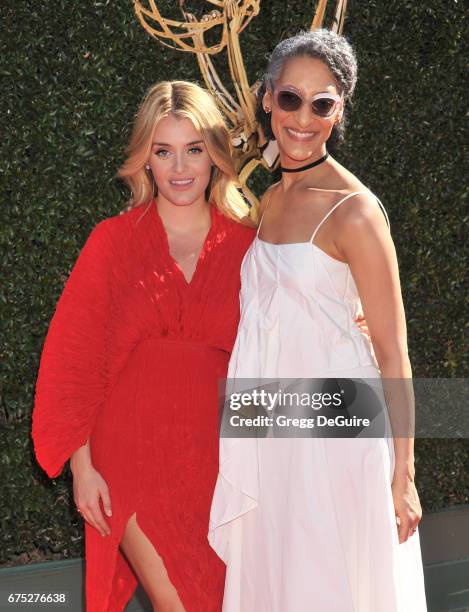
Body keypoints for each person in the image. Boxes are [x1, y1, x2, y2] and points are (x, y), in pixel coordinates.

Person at [209, 30, 428, 611]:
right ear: (267, 99)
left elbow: (392, 351)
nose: (303, 118)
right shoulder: (269, 198)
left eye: (322, 104)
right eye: (290, 99)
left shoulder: (355, 211)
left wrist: (402, 474)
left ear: (339, 111)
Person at [31, 80, 256, 612]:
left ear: (215, 157)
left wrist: (350, 321)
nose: (180, 167)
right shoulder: (113, 241)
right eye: (164, 151)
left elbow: (287, 337)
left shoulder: (250, 244)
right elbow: (73, 359)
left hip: (220, 463)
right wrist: (82, 470)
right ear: (145, 161)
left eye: (194, 149)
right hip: (129, 457)